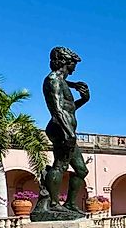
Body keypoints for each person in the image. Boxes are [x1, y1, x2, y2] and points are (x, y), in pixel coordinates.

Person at [35, 47, 89, 216]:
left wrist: (84, 99)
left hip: (66, 128)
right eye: (74, 64)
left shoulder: (63, 82)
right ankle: (52, 203)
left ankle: (70, 204)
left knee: (81, 170)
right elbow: (57, 110)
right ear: (66, 62)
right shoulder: (53, 80)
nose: (75, 68)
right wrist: (69, 133)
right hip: (60, 129)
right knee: (60, 165)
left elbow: (69, 109)